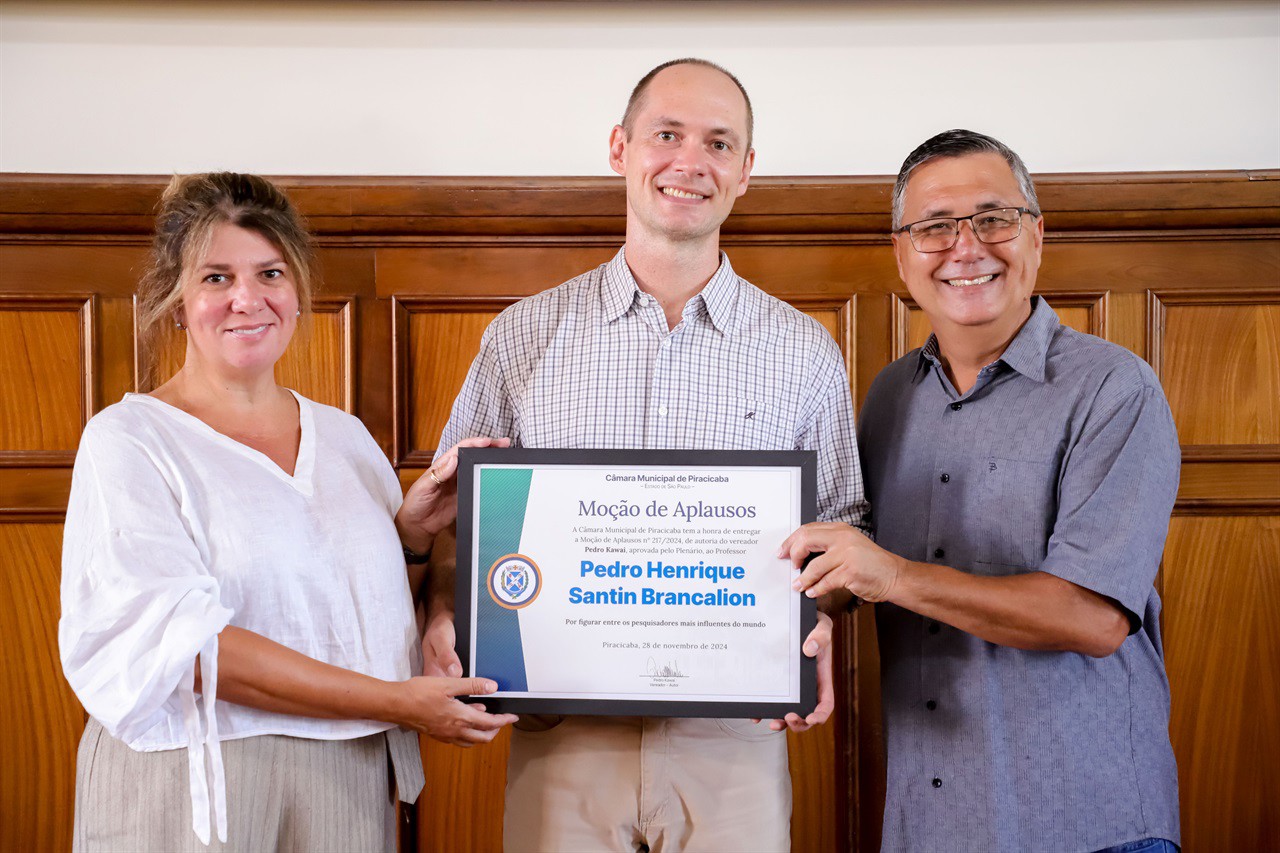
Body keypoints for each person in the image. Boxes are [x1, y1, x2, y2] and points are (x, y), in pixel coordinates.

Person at [426, 59, 869, 852]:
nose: (690, 161)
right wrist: (438, 612)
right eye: (667, 134)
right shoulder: (522, 336)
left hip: (734, 739)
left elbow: (841, 531)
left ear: (745, 171)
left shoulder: (803, 350)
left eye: (718, 143)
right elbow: (456, 514)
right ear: (619, 148)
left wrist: (820, 616)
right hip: (562, 733)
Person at [59, 172, 516, 852]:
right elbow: (189, 650)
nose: (247, 298)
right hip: (192, 776)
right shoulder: (130, 440)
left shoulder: (345, 438)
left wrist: (413, 533)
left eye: (269, 273)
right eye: (216, 277)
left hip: (348, 774)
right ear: (177, 300)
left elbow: (367, 612)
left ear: (297, 290)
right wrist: (397, 701)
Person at [785, 130, 1181, 851]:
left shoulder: (1114, 389)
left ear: (1037, 236)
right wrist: (782, 631)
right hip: (929, 824)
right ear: (902, 254)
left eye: (993, 219)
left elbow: (1094, 618)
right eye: (935, 227)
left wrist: (894, 575)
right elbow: (855, 566)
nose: (966, 248)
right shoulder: (889, 397)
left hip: (1088, 826)